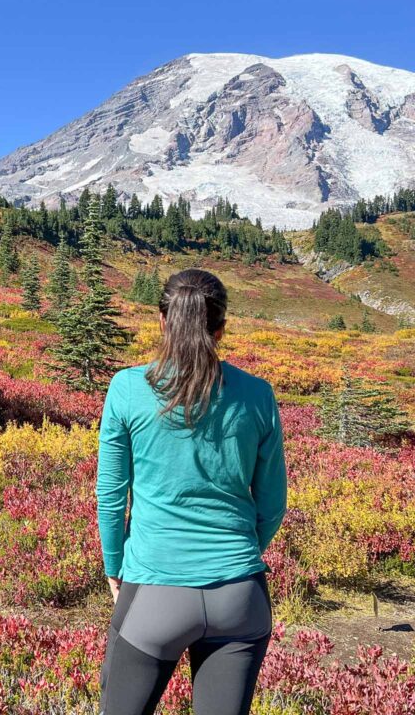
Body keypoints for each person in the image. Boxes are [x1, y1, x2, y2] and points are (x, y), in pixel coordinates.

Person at [96, 268, 287, 715]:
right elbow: (273, 504)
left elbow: (111, 494)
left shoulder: (127, 388)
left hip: (153, 589)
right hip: (240, 597)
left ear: (162, 321)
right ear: (221, 329)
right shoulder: (258, 394)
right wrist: (237, 555)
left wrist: (114, 566)